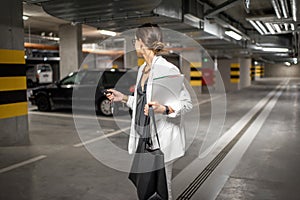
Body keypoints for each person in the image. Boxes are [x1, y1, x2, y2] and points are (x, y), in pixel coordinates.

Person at [106, 23, 192, 200]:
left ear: (142, 42)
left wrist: (165, 109)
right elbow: (142, 103)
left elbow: (187, 104)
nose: (134, 44)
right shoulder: (142, 70)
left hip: (163, 139)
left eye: (135, 41)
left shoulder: (167, 69)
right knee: (145, 185)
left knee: (163, 188)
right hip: (144, 137)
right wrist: (122, 97)